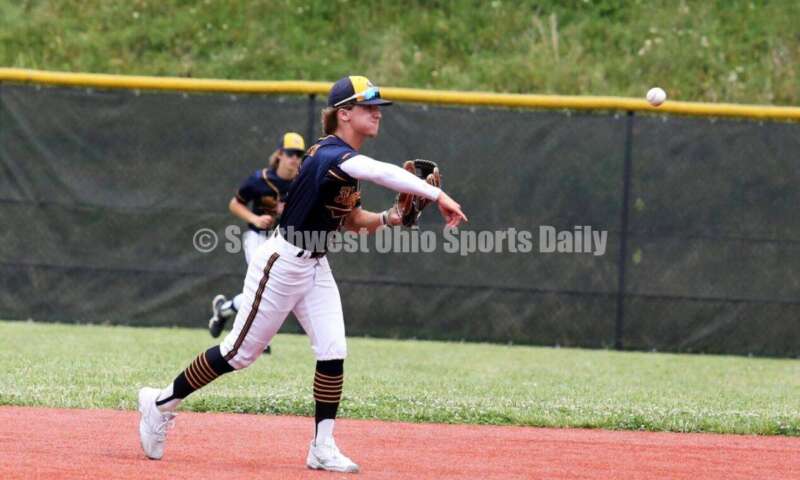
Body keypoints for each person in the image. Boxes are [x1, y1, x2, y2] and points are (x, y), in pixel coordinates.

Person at [137, 75, 467, 473]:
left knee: (333, 351)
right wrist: (438, 195)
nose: (377, 113)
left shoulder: (345, 164)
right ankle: (159, 403)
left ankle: (322, 447)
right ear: (344, 114)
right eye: (368, 107)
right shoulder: (331, 155)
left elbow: (351, 220)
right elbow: (381, 171)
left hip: (315, 265)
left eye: (377, 107)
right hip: (283, 263)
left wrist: (391, 217)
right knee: (238, 354)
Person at [207, 132, 305, 357]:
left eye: (299, 155)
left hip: (283, 242)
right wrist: (254, 218)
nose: (294, 159)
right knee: (265, 285)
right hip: (257, 238)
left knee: (270, 290)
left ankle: (225, 310)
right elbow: (235, 204)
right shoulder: (259, 179)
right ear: (280, 154)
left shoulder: (301, 182)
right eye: (290, 153)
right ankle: (259, 338)